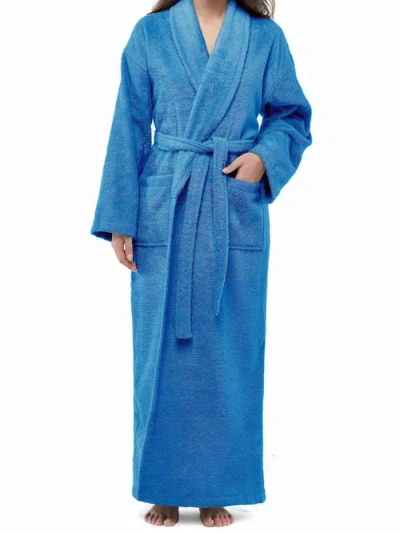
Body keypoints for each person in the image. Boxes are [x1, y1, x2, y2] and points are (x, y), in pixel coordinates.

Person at [90, 0, 312, 527]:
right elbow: (129, 124)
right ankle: (164, 486)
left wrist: (262, 158)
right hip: (165, 208)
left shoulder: (264, 38)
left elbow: (292, 116)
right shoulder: (150, 33)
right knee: (159, 354)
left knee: (231, 352)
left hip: (231, 208)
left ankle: (219, 487)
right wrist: (121, 217)